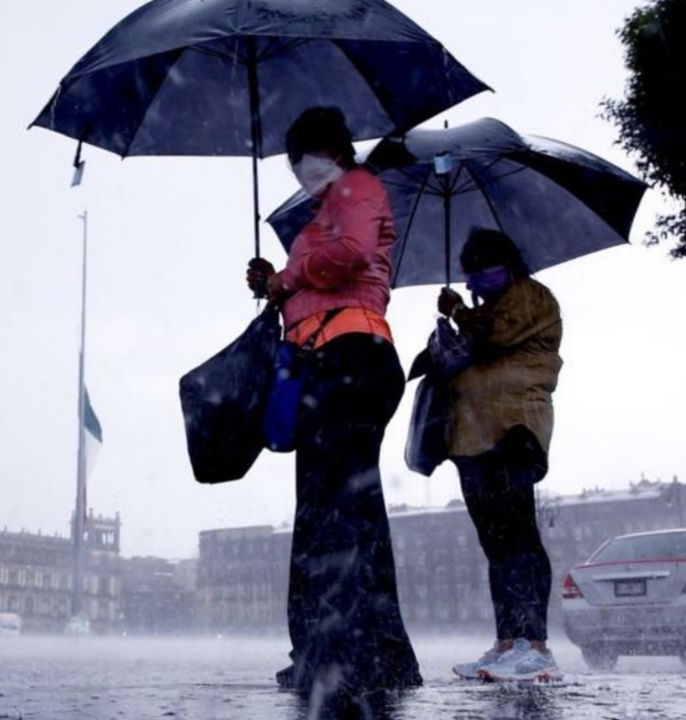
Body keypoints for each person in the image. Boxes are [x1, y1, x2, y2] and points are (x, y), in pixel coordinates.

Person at [247, 106, 420, 694]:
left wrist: (289, 278)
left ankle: (337, 653)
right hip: (332, 359)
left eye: (300, 157)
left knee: (330, 512)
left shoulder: (357, 186)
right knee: (348, 509)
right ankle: (368, 652)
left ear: (324, 150)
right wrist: (275, 281)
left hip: (350, 358)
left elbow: (348, 254)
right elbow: (319, 273)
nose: (297, 169)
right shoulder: (331, 202)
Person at [437, 229, 564, 682]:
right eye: (470, 275)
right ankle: (507, 642)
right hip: (472, 437)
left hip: (514, 430)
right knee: (495, 544)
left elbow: (494, 338)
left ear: (506, 266)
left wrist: (456, 311)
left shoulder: (531, 297)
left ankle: (535, 645)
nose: (474, 283)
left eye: (481, 272)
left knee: (518, 537)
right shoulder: (483, 310)